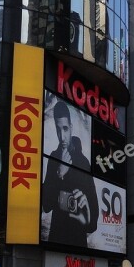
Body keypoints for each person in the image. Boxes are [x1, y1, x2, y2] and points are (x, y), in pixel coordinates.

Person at [41, 101, 98, 246]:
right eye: (58, 129)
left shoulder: (84, 163)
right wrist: (59, 174)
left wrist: (87, 214)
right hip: (56, 239)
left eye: (65, 129)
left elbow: (93, 220)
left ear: (71, 128)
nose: (62, 136)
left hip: (78, 240)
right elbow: (46, 205)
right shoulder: (53, 158)